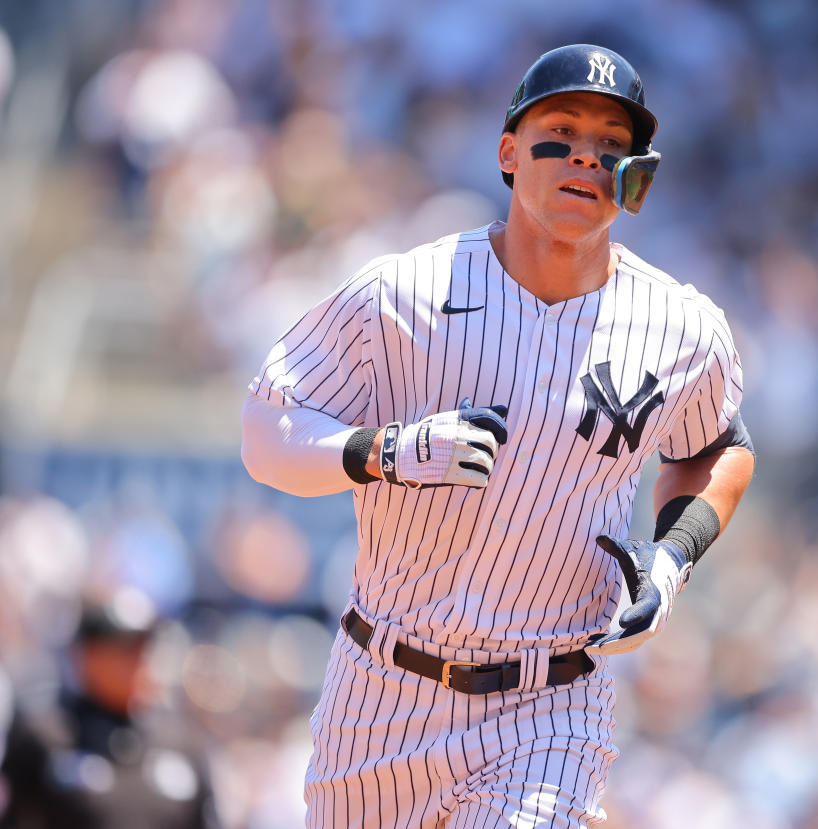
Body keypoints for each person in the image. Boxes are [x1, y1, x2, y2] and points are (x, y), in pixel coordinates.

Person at [241, 43, 755, 828]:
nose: (587, 156)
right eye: (563, 131)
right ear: (510, 151)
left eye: (612, 144)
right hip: (381, 688)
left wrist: (672, 557)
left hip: (552, 703)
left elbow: (717, 448)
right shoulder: (404, 291)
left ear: (637, 176)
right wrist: (388, 451)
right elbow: (267, 432)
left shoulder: (682, 327)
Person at [0, 595, 217, 828]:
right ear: (85, 656)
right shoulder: (45, 737)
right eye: (126, 649)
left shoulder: (182, 743)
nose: (139, 661)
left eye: (145, 647)